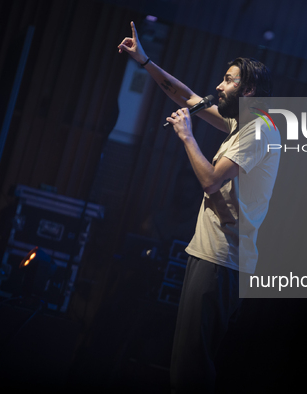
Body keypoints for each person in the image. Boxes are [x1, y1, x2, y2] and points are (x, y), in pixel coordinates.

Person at [118, 22, 280, 392]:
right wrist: (144, 61)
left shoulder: (259, 129)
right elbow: (186, 95)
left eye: (228, 80)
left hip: (223, 260)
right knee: (187, 360)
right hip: (211, 255)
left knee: (191, 366)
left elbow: (210, 180)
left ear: (249, 90)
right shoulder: (245, 124)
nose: (219, 86)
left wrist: (187, 135)